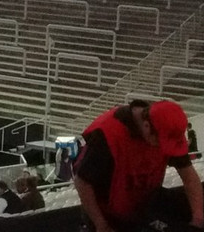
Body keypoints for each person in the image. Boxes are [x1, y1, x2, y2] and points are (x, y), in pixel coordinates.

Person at [75, 99, 204, 232]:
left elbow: (189, 175)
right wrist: (101, 225)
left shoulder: (168, 128)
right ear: (147, 126)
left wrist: (198, 220)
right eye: (160, 144)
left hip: (143, 210)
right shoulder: (108, 133)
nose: (162, 149)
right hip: (107, 214)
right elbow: (82, 182)